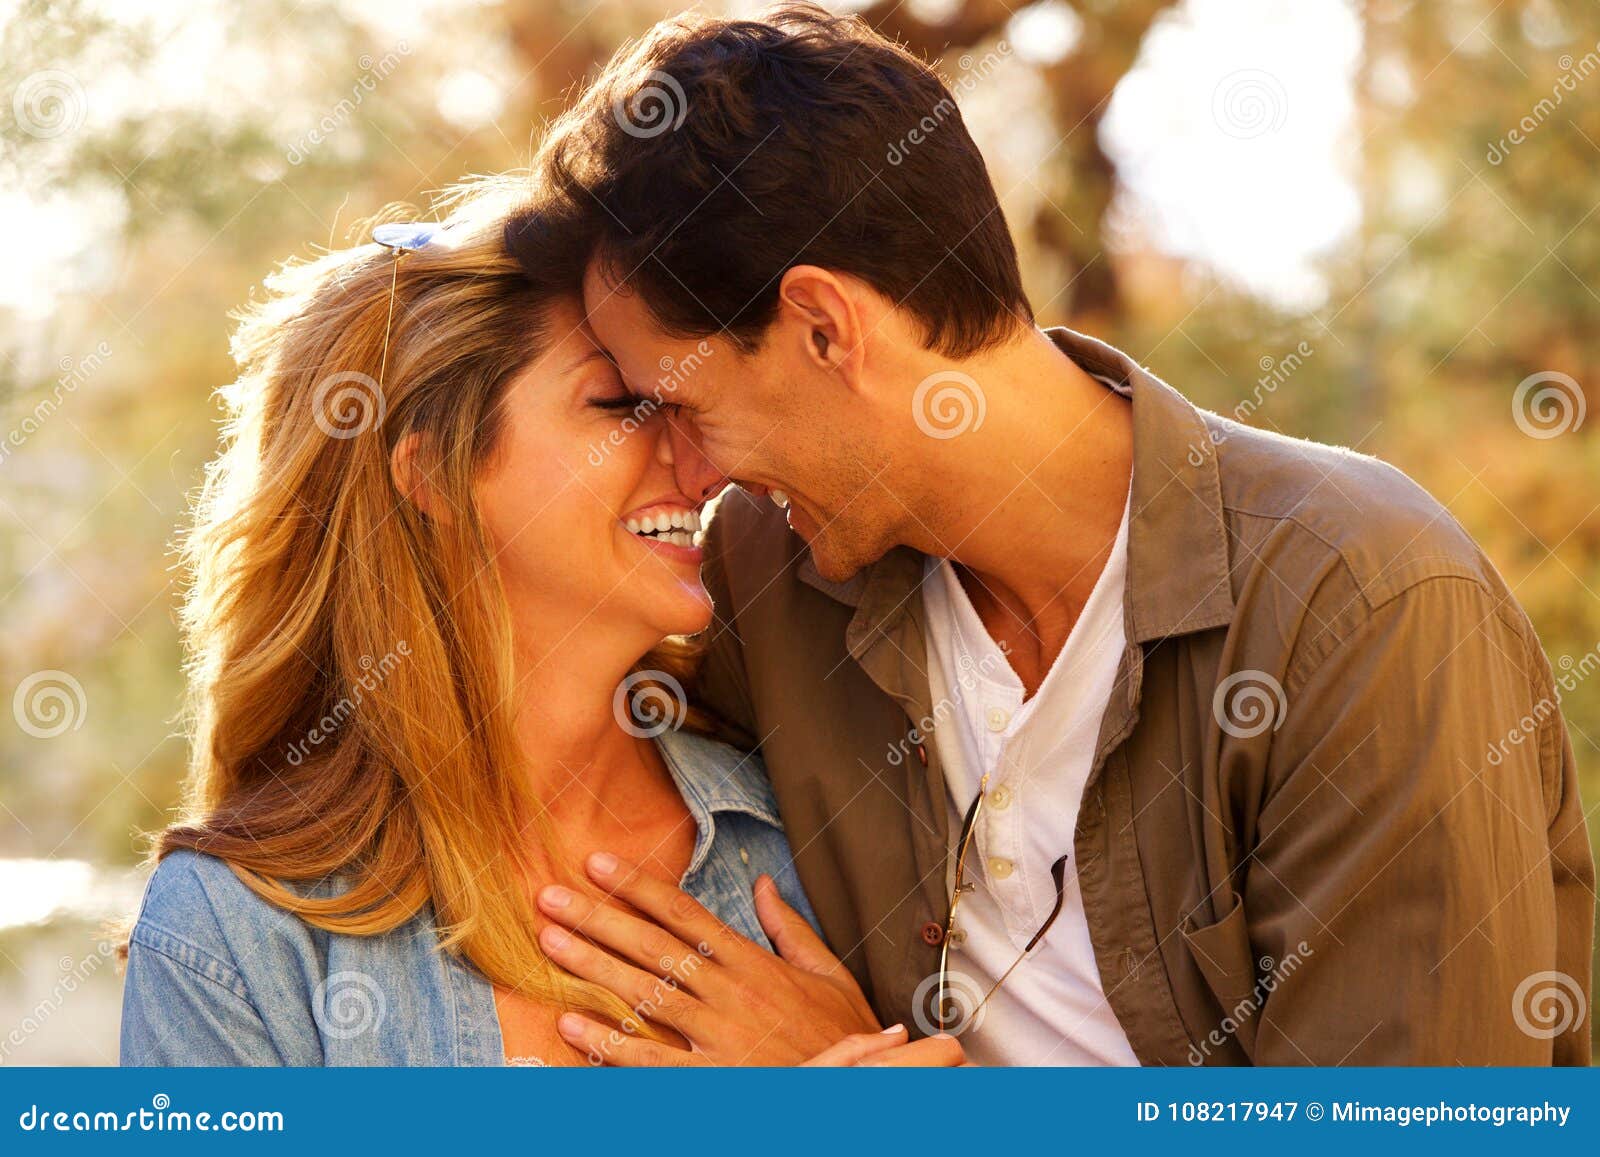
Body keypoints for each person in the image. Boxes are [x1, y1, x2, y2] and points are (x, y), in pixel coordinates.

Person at [508, 3, 1595, 1064]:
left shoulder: (1360, 605)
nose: (687, 474)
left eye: (685, 405)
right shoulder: (765, 576)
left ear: (825, 328)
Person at [118, 175, 952, 1067]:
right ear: (432, 472)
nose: (704, 463)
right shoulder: (234, 931)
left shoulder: (805, 820)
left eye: (680, 406)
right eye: (621, 406)